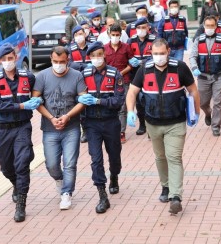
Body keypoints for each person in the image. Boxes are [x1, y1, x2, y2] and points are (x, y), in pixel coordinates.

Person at [126, 38, 200, 215]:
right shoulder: (144, 69)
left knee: (173, 157)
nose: (159, 57)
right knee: (160, 157)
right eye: (155, 54)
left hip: (176, 122)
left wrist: (196, 112)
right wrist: (130, 110)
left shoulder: (180, 67)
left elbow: (193, 90)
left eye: (162, 53)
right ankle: (165, 187)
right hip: (153, 123)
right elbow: (132, 92)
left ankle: (176, 197)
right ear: (151, 53)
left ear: (168, 51)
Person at [0, 43, 41, 222]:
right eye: (5, 59)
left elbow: (39, 93)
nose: (8, 62)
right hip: (3, 129)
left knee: (22, 164)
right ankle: (16, 184)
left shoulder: (28, 77)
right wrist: (22, 105)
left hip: (23, 127)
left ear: (16, 58)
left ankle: (21, 205)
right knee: (5, 165)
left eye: (11, 58)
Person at [32, 46, 86, 210]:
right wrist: (51, 118)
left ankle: (66, 193)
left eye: (62, 62)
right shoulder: (42, 76)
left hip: (71, 128)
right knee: (51, 164)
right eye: (55, 61)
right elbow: (36, 101)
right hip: (49, 128)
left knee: (70, 163)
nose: (59, 65)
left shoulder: (77, 76)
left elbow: (83, 100)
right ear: (51, 59)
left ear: (67, 60)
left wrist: (67, 116)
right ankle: (59, 180)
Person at [79, 41, 125, 213]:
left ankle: (114, 175)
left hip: (111, 121)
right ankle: (102, 194)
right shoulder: (84, 74)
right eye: (93, 56)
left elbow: (118, 101)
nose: (97, 59)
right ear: (89, 57)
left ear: (104, 55)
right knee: (96, 159)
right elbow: (78, 95)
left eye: (99, 55)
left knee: (114, 156)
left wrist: (98, 101)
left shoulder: (115, 74)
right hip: (91, 124)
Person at [189, 15, 221, 136]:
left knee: (218, 102)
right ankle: (208, 113)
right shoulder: (199, 40)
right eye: (207, 25)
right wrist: (194, 68)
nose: (209, 28)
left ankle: (216, 126)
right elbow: (192, 56)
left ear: (216, 26)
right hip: (203, 77)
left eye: (212, 25)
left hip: (219, 76)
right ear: (204, 26)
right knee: (202, 102)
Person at [104, 24, 140, 143]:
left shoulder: (126, 47)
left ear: (120, 35)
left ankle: (121, 132)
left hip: (123, 80)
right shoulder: (104, 48)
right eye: (113, 35)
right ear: (109, 35)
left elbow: (132, 64)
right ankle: (111, 130)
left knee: (122, 107)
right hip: (109, 81)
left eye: (117, 35)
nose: (115, 37)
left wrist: (121, 72)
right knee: (110, 105)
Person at [127, 18, 156, 135]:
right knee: (138, 101)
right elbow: (127, 55)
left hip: (150, 73)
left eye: (143, 27)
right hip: (135, 75)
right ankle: (142, 125)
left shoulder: (154, 40)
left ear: (148, 27)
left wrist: (142, 62)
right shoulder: (131, 40)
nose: (141, 30)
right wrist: (130, 61)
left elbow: (156, 55)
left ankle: (151, 126)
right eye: (138, 28)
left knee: (149, 99)